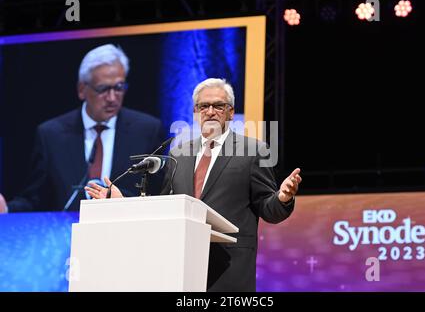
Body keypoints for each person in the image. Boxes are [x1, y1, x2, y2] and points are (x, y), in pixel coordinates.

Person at [85, 78, 301, 292]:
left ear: (231, 112)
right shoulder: (180, 153)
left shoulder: (252, 151)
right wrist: (123, 204)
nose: (210, 111)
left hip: (229, 269)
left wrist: (283, 197)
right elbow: (166, 208)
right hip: (182, 265)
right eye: (203, 106)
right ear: (196, 113)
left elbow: (268, 208)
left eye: (218, 105)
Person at [0, 44, 164, 213]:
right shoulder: (51, 135)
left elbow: (158, 196)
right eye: (103, 89)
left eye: (119, 87)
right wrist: (7, 209)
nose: (112, 97)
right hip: (65, 234)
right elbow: (36, 199)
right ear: (82, 89)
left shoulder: (147, 130)